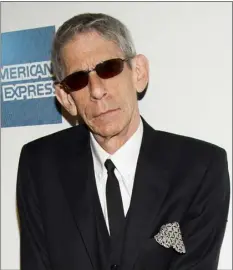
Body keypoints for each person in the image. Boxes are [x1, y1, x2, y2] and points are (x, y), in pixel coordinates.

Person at [16, 13, 230, 270]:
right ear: (66, 98)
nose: (96, 90)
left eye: (108, 68)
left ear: (138, 72)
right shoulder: (40, 166)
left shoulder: (200, 168)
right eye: (78, 80)